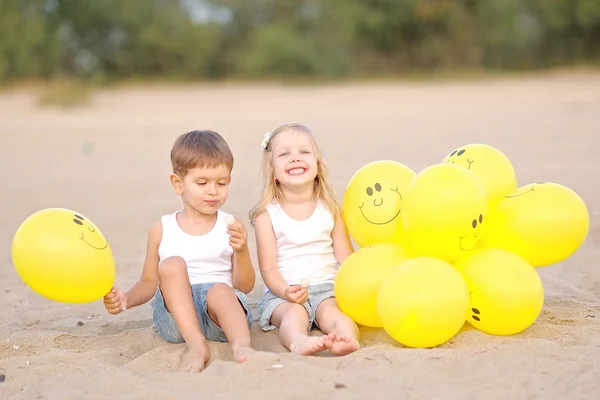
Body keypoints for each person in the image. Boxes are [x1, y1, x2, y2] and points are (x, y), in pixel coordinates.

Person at [103, 130, 255, 372]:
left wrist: (242, 250)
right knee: (171, 265)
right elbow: (148, 282)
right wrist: (126, 299)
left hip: (221, 319)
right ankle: (196, 346)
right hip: (176, 319)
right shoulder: (163, 228)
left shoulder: (230, 225)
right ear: (178, 183)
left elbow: (244, 286)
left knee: (220, 290)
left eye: (221, 183)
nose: (213, 191)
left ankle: (242, 346)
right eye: (202, 183)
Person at [249, 123, 360, 356]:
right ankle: (298, 341)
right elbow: (268, 268)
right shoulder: (266, 215)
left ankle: (347, 339)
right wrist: (285, 291)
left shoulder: (331, 209)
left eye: (304, 152)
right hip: (284, 293)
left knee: (333, 314)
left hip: (328, 288)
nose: (295, 158)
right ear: (273, 172)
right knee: (293, 315)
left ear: (318, 166)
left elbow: (347, 258)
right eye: (284, 154)